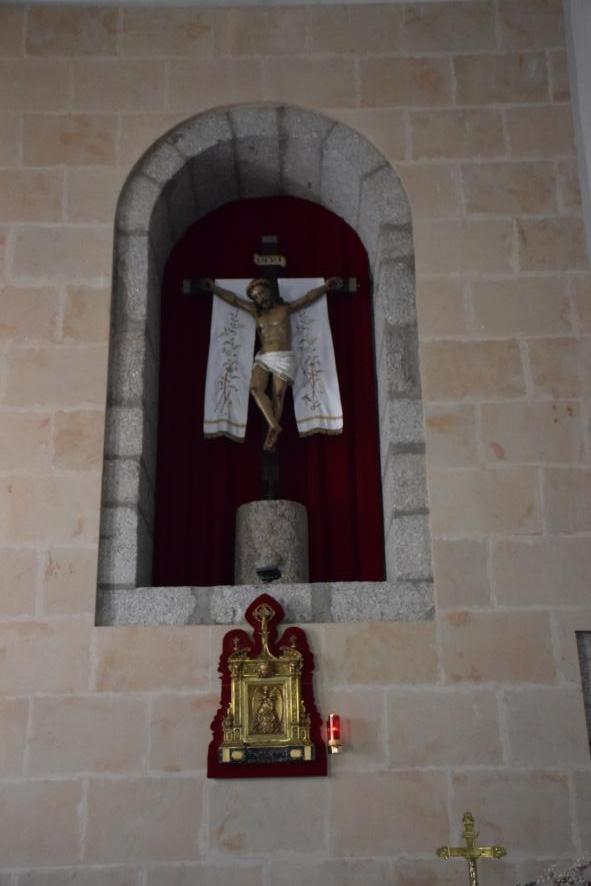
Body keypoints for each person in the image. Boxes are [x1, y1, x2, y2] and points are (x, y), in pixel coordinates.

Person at [202, 276, 342, 450]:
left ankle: (272, 430)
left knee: (278, 395)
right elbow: (234, 300)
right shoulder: (256, 312)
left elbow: (308, 298)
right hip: (264, 356)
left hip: (283, 357)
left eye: (262, 293)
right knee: (255, 390)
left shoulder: (285, 309)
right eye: (256, 296)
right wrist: (214, 289)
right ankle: (275, 425)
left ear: (270, 291)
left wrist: (326, 287)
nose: (260, 298)